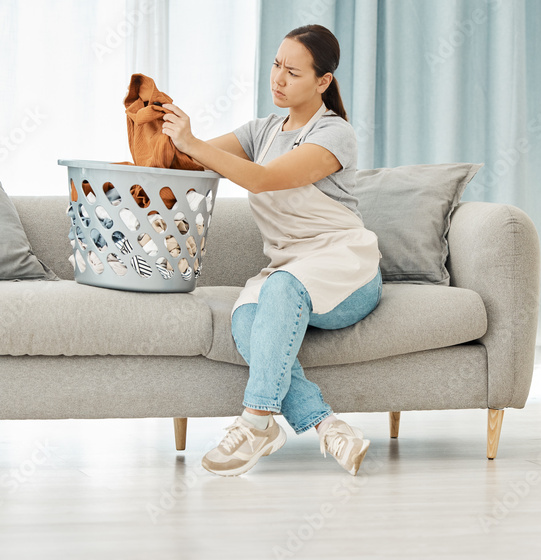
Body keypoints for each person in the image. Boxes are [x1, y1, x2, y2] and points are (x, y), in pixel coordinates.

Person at [160, 24, 383, 476]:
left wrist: (194, 143)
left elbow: (260, 178)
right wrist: (159, 126)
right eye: (276, 66)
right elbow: (184, 161)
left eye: (293, 72)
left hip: (345, 269)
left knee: (281, 286)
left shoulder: (335, 134)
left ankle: (257, 421)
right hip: (289, 271)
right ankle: (326, 425)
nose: (278, 79)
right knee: (246, 322)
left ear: (323, 82)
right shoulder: (261, 131)